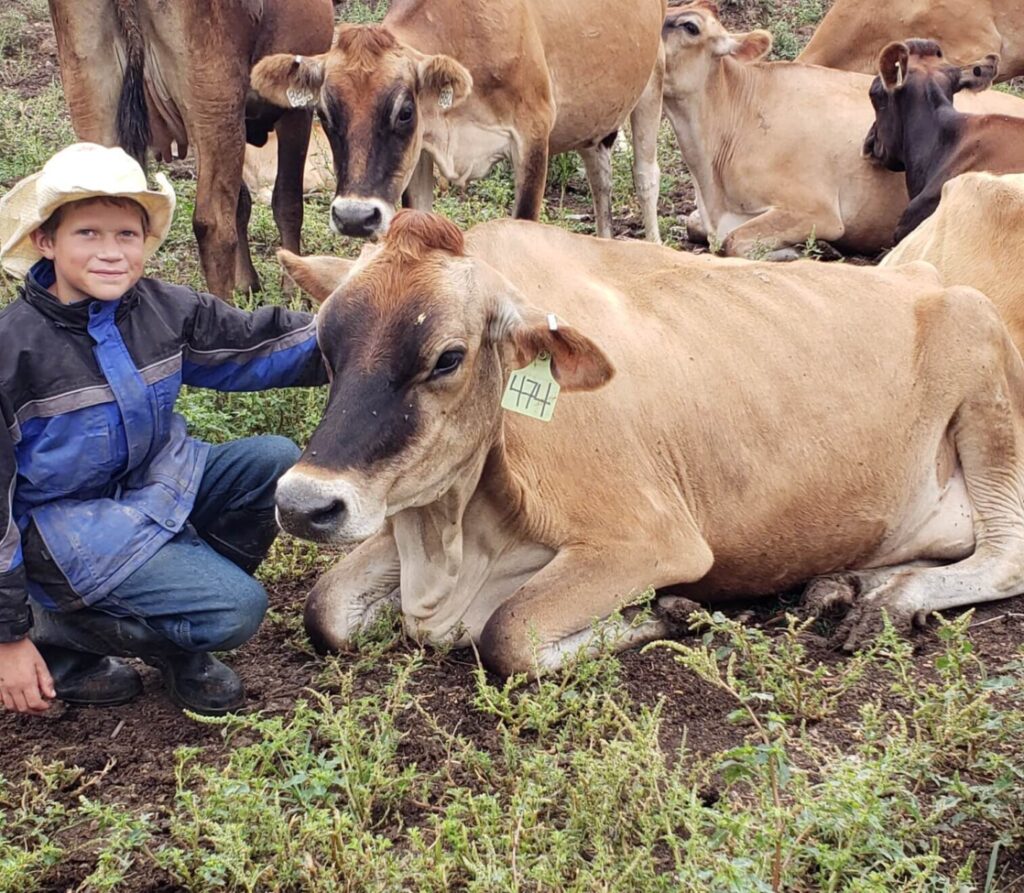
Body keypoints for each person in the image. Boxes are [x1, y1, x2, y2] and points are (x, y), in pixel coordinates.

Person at [0, 143, 327, 716]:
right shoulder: (12, 352)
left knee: (272, 461)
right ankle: (58, 631)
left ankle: (175, 619)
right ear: (46, 242)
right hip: (61, 535)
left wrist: (368, 333)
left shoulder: (158, 308)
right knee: (236, 609)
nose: (111, 253)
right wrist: (8, 635)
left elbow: (256, 345)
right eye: (88, 234)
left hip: (149, 488)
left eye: (126, 234)